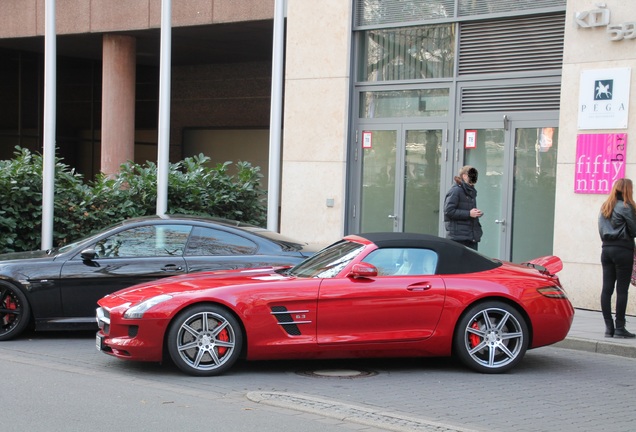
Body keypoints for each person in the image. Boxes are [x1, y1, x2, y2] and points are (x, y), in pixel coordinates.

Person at [598, 178, 636, 338]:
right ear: (628, 190)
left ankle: (609, 328)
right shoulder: (626, 207)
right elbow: (634, 231)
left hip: (606, 250)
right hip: (623, 250)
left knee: (606, 289)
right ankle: (620, 327)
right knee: (622, 290)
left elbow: (601, 230)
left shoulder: (605, 206)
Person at [443, 165, 483, 250]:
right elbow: (448, 211)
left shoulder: (470, 191)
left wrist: (475, 213)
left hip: (470, 237)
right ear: (464, 176)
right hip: (459, 238)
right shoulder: (456, 190)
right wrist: (469, 213)